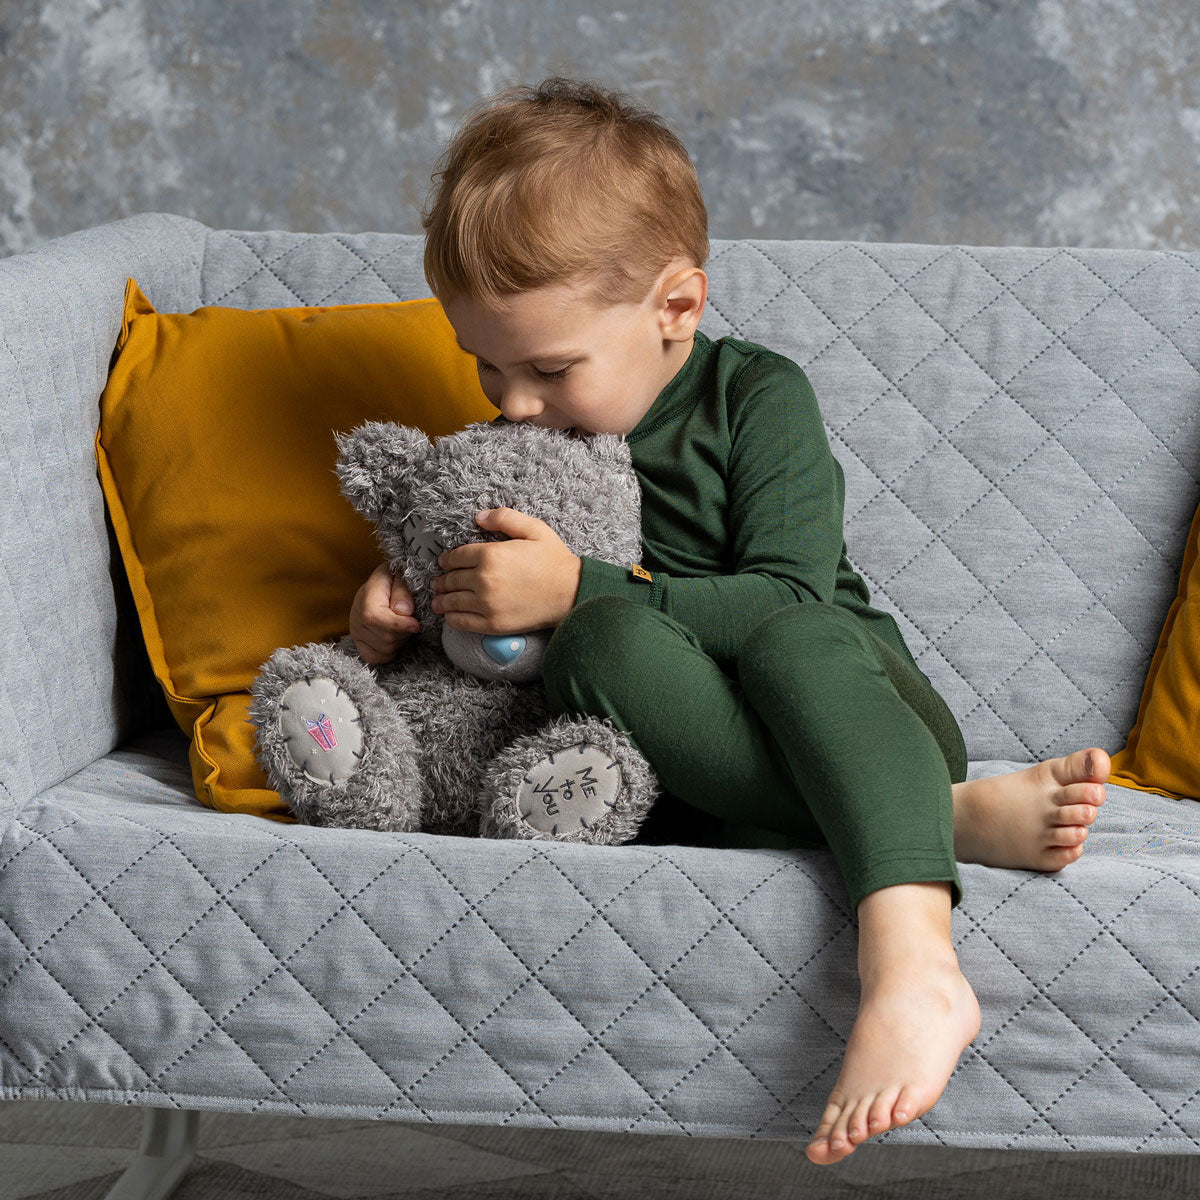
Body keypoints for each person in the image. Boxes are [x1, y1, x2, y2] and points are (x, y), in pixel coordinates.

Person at [349, 76, 1110, 1166]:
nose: (511, 402)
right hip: (681, 768)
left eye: (549, 367)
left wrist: (583, 588)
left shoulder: (755, 397)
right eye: (487, 365)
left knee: (767, 635)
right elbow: (476, 619)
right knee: (596, 656)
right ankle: (943, 819)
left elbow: (792, 598)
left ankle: (913, 963)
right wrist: (392, 616)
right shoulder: (526, 444)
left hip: (854, 712)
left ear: (677, 307)